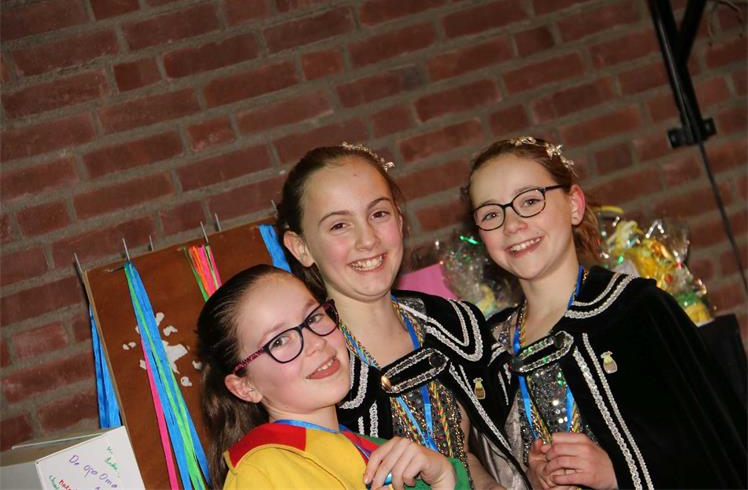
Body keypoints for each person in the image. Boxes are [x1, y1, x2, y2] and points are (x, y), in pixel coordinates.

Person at [466, 136, 747, 489]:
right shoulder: (491, 352)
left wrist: (619, 472)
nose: (512, 225)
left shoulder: (636, 310)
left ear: (574, 204)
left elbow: (717, 451)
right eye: (491, 214)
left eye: (530, 201)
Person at [277, 144, 526, 490]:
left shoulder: (454, 325)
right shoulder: (313, 368)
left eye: (378, 214)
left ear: (399, 218)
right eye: (339, 225)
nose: (367, 240)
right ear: (301, 247)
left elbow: (474, 456)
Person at [196, 264, 470, 489]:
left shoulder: (381, 453)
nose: (316, 342)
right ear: (245, 387)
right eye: (279, 341)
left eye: (314, 318)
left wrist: (444, 479)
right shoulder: (260, 473)